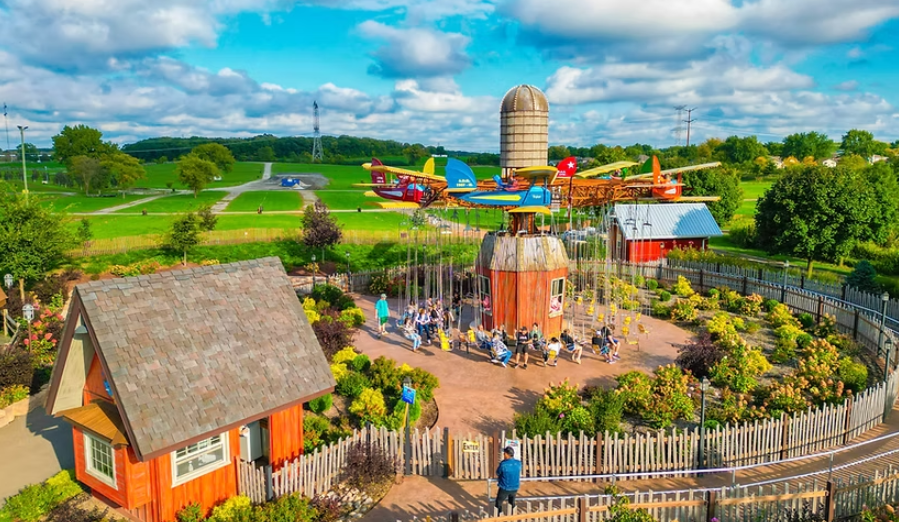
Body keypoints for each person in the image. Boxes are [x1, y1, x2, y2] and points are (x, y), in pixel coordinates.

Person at [495, 446, 521, 514]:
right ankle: (513, 516)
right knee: (512, 502)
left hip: (505, 487)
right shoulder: (518, 463)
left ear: (507, 454)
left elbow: (498, 472)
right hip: (515, 487)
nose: (503, 454)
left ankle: (499, 516)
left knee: (499, 502)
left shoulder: (503, 464)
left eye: (504, 453)